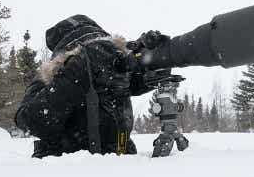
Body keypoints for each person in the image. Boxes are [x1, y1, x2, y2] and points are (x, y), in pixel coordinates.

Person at [15, 14, 162, 158]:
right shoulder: (48, 78)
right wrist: (74, 74)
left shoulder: (118, 70)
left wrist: (154, 57)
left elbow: (144, 78)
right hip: (66, 171)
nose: (100, 56)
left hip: (120, 161)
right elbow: (28, 120)